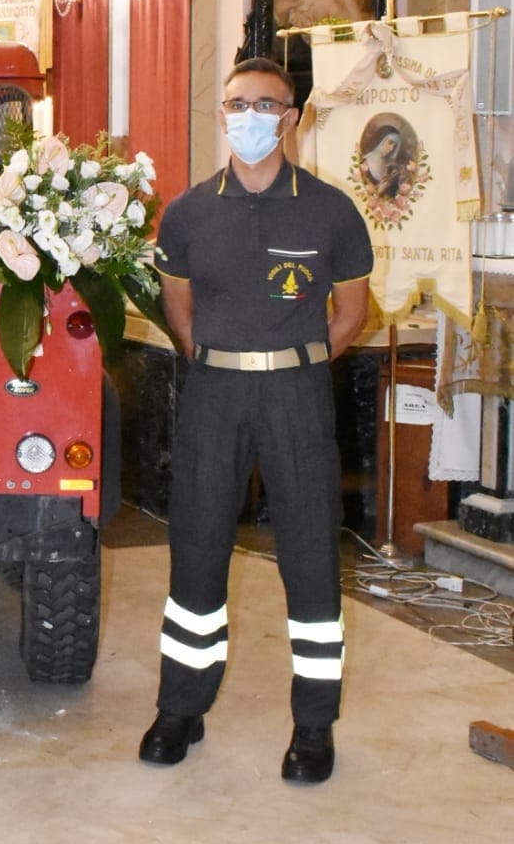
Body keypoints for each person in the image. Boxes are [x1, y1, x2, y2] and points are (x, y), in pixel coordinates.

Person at [140, 56, 373, 785]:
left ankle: (313, 726)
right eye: (237, 103)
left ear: (291, 118)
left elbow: (352, 312)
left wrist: (297, 361)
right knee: (197, 544)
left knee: (309, 551)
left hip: (296, 395)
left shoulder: (330, 211)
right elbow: (177, 302)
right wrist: (212, 355)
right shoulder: (187, 213)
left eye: (265, 105)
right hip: (215, 391)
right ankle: (181, 709)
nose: (249, 116)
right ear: (222, 114)